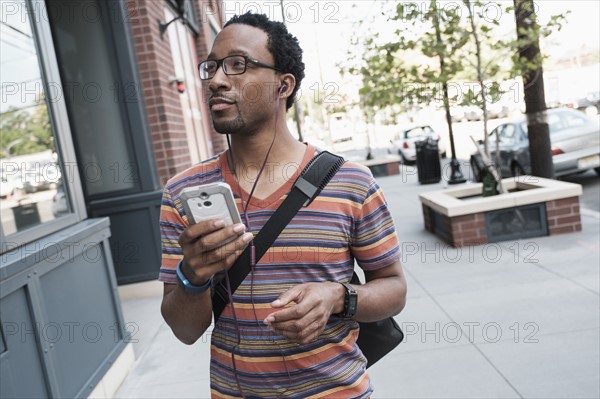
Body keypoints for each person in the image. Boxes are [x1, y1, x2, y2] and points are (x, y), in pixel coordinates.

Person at [159, 12, 407, 399]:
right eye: (211, 67)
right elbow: (185, 331)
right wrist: (193, 276)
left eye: (238, 65)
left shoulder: (351, 182)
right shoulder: (184, 193)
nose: (216, 80)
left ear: (283, 85)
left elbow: (394, 288)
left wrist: (338, 297)